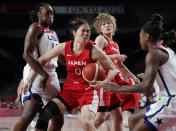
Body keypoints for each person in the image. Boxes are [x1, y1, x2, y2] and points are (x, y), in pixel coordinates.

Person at [97, 14, 176, 131]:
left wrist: (118, 89)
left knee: (135, 126)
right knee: (132, 119)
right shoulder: (168, 51)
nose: (139, 40)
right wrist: (156, 75)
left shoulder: (154, 54)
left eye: (140, 37)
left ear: (147, 36)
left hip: (174, 101)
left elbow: (146, 86)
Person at [24, 18, 118, 131]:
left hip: (88, 92)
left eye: (88, 31)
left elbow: (113, 69)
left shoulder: (94, 50)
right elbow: (41, 60)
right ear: (74, 33)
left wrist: (104, 82)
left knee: (87, 124)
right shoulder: (64, 47)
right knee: (45, 114)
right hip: (69, 91)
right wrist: (29, 78)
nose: (86, 33)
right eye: (83, 30)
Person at [14, 3, 64, 131]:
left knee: (58, 119)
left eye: (52, 13)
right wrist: (43, 73)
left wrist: (74, 52)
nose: (51, 15)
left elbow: (61, 60)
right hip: (36, 71)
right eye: (47, 13)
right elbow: (27, 54)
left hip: (52, 73)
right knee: (29, 114)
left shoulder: (54, 33)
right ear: (39, 14)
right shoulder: (35, 27)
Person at [93, 13, 139, 130]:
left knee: (118, 117)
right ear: (100, 28)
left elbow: (120, 66)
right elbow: (96, 56)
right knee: (102, 116)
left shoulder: (115, 44)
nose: (107, 25)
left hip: (113, 82)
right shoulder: (101, 39)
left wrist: (133, 77)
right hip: (103, 80)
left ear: (113, 26)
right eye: (103, 24)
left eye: (109, 23)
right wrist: (116, 56)